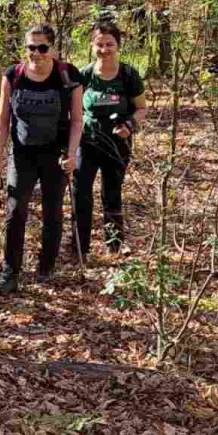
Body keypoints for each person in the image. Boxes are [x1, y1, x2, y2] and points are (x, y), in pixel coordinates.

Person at [0, 25, 82, 294]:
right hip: (22, 153)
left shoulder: (68, 75)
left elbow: (77, 120)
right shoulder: (13, 75)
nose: (37, 53)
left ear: (52, 48)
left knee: (53, 211)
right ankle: (10, 272)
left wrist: (72, 153)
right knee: (15, 211)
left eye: (42, 47)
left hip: (55, 154)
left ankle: (46, 267)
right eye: (31, 47)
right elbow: (3, 118)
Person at [73, 18, 147, 257]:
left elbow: (141, 108)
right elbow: (73, 110)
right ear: (92, 46)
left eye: (109, 44)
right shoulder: (84, 75)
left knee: (112, 193)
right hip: (87, 142)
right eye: (99, 44)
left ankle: (114, 245)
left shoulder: (128, 74)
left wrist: (130, 125)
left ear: (118, 46)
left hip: (117, 144)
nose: (104, 49)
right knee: (81, 193)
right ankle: (79, 246)